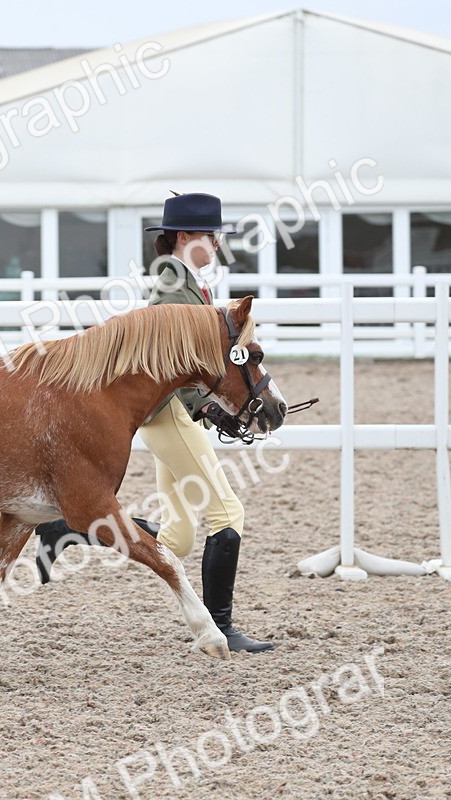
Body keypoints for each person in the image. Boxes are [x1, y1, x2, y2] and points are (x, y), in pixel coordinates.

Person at [35, 192, 273, 653]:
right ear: (184, 237)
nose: (218, 244)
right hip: (171, 415)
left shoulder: (188, 283)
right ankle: (221, 628)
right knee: (228, 512)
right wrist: (208, 405)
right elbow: (166, 361)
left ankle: (67, 528)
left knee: (176, 538)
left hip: (174, 413)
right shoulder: (171, 289)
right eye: (211, 236)